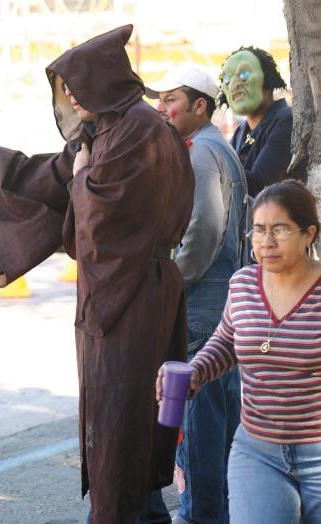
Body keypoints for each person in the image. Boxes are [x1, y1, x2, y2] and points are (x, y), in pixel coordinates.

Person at [0, 25, 195, 524]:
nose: (72, 100)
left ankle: (125, 513)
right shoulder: (105, 130)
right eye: (65, 92)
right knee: (116, 416)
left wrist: (83, 176)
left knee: (126, 414)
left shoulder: (142, 129)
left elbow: (104, 211)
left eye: (76, 87)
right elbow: (50, 176)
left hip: (135, 290)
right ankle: (132, 512)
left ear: (103, 80)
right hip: (114, 290)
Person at [157, 179, 321, 524]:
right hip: (258, 451)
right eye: (259, 230)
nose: (267, 242)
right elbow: (225, 342)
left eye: (280, 230)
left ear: (309, 234)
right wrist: (196, 371)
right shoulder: (243, 284)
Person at [145, 64, 248, 524]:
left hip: (205, 312)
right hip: (220, 310)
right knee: (218, 437)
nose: (162, 110)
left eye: (171, 101)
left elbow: (203, 230)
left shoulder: (201, 153)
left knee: (202, 440)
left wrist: (171, 280)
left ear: (200, 105)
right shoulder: (213, 147)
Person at [219, 46, 307, 197]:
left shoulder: (286, 120)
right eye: (227, 78)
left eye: (244, 74)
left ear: (267, 79)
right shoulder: (242, 131)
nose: (233, 85)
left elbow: (260, 184)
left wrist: (210, 169)